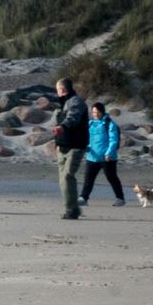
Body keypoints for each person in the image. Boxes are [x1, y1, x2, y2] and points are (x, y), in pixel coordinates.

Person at [54, 78, 90, 219]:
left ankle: (72, 209)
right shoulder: (63, 103)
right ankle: (72, 208)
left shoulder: (76, 102)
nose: (56, 92)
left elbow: (72, 118)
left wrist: (62, 127)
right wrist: (58, 143)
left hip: (75, 146)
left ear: (62, 90)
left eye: (57, 89)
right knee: (63, 180)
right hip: (63, 146)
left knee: (68, 176)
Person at [81, 101, 125, 207]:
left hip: (107, 157)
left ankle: (120, 198)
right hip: (92, 156)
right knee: (88, 178)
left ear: (102, 112)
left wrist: (109, 153)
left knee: (112, 178)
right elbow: (86, 138)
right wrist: (85, 147)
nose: (95, 114)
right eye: (93, 112)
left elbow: (113, 140)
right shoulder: (90, 123)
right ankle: (83, 198)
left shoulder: (110, 124)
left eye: (97, 112)